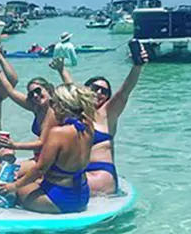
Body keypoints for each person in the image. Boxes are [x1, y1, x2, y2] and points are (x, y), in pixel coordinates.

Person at [52, 42, 148, 195]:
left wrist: (137, 66)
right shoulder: (77, 113)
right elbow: (71, 87)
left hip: (100, 176)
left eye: (104, 91)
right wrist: (62, 69)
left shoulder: (107, 113)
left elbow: (124, 91)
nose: (98, 93)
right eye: (94, 88)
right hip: (79, 174)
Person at [0, 83, 97, 214]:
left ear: (61, 106)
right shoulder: (88, 124)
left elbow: (40, 169)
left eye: (53, 103)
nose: (52, 107)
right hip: (83, 195)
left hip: (60, 198)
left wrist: (13, 186)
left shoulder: (58, 133)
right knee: (33, 181)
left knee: (17, 191)